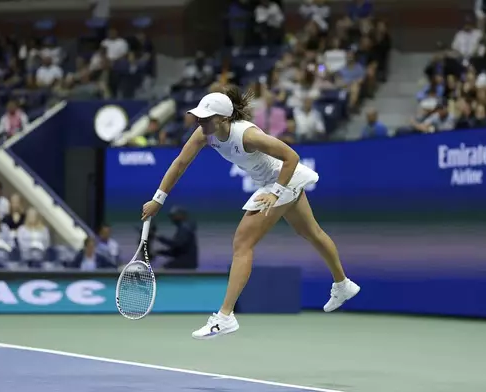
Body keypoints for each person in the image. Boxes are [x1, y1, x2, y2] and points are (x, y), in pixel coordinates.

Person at [141, 86, 360, 340]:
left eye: (206, 118)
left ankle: (225, 316)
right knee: (311, 232)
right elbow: (179, 164)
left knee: (243, 242)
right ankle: (342, 284)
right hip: (275, 182)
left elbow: (292, 156)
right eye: (199, 117)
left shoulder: (247, 136)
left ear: (223, 119)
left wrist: (276, 192)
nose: (200, 121)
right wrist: (158, 199)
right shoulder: (204, 134)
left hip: (282, 179)